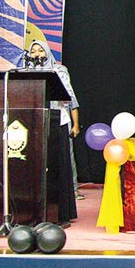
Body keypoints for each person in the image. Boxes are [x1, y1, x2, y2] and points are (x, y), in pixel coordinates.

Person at [27, 40, 78, 227]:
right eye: (34, 51)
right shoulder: (25, 72)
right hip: (32, 123)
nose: (37, 53)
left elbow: (69, 96)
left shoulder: (59, 71)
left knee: (58, 166)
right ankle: (31, 212)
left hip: (57, 122)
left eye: (41, 50)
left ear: (47, 52)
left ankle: (60, 213)